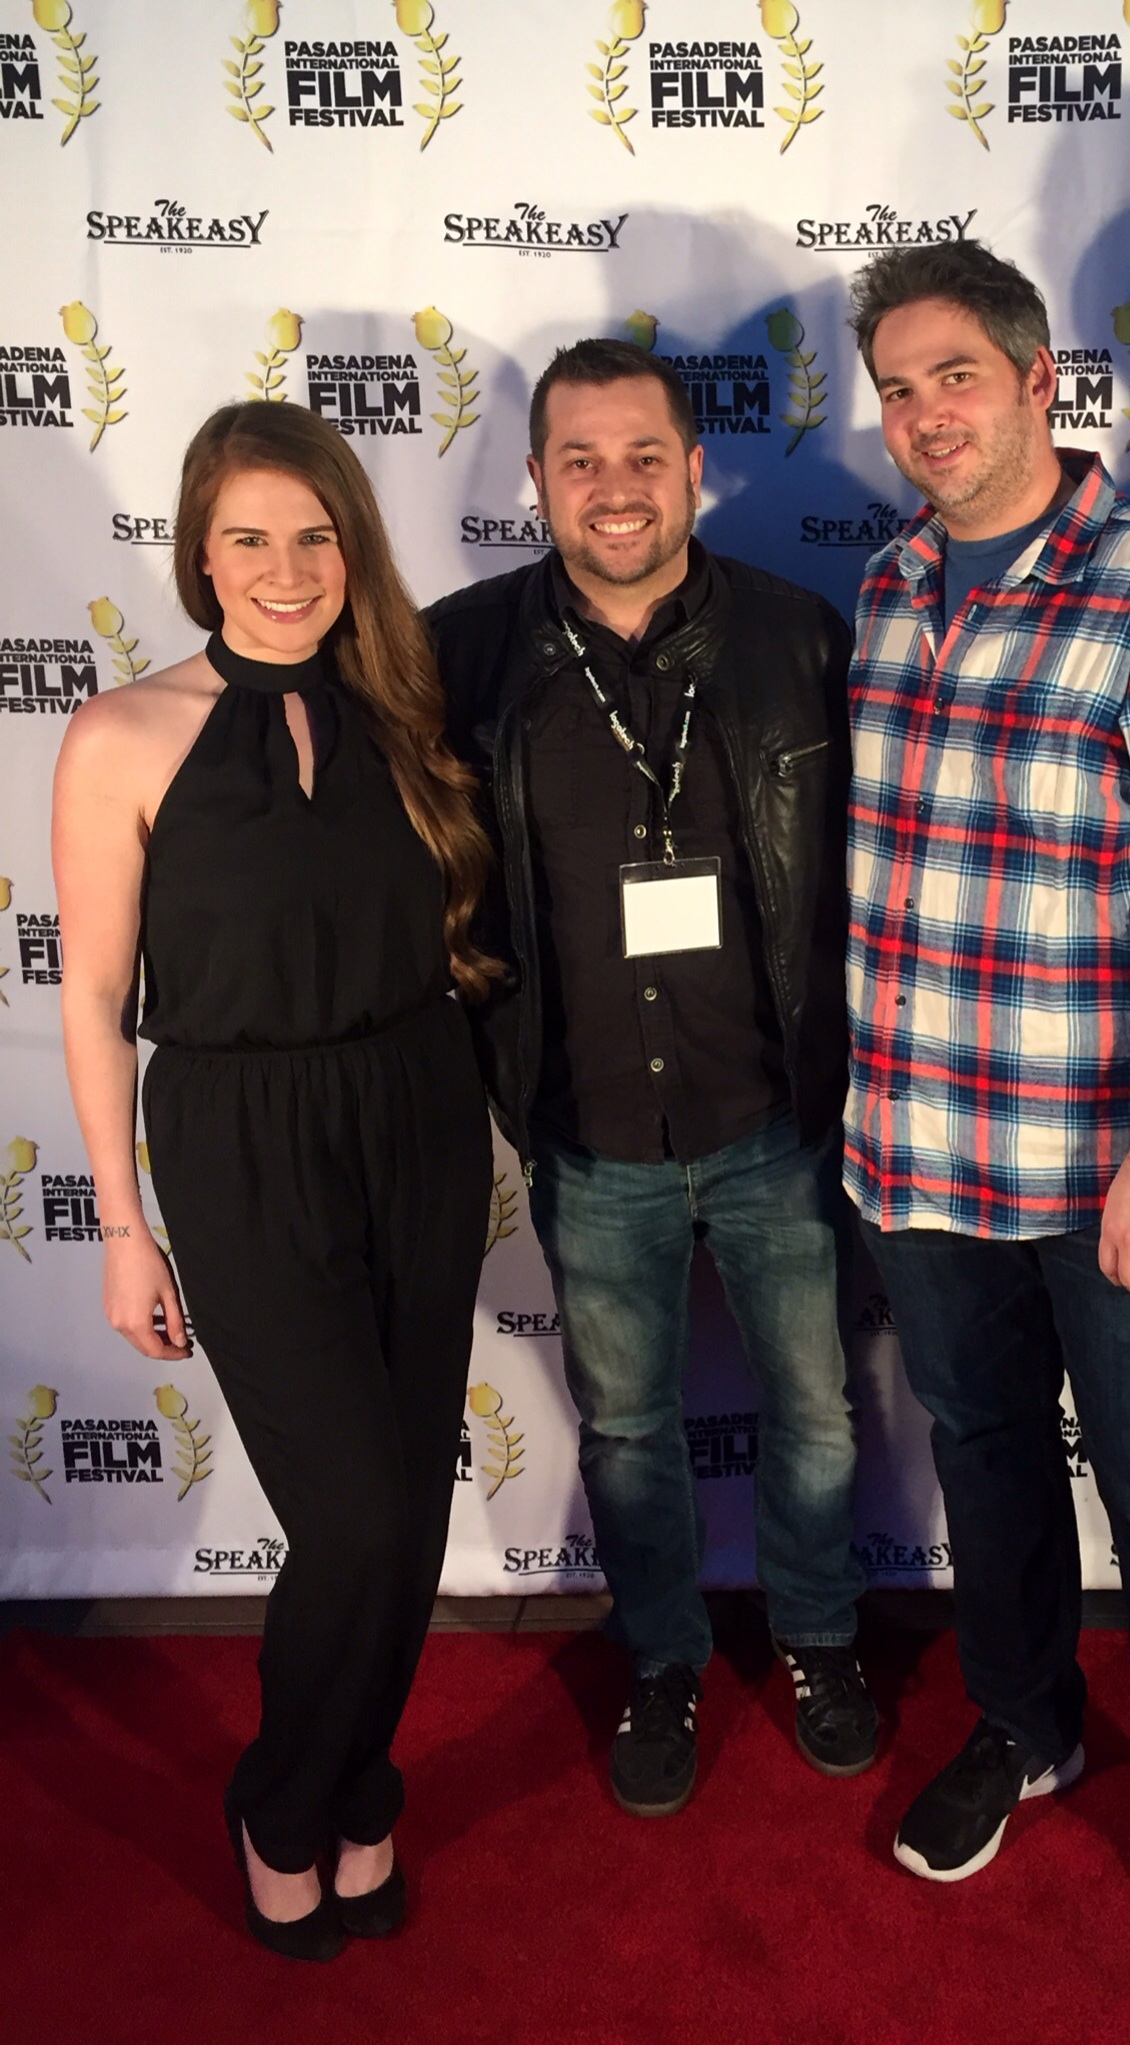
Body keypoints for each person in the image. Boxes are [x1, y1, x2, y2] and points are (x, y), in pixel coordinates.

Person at [843, 241, 1130, 1997]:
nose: (923, 415)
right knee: (982, 1463)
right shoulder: (892, 591)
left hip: (1126, 1180)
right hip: (925, 1160)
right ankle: (1026, 1726)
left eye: (955, 373)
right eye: (895, 386)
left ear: (1042, 381)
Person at [52, 401, 496, 1960]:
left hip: (421, 1112)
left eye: (313, 535)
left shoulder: (405, 712)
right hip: (237, 1138)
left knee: (414, 1504)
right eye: (247, 536)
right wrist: (122, 1228)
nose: (283, 568)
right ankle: (284, 1798)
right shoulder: (120, 735)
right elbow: (93, 995)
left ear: (352, 547)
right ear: (197, 550)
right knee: (355, 1520)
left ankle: (360, 1782)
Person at [425, 339, 875, 1818]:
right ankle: (664, 1653)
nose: (612, 490)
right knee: (628, 1427)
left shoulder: (804, 636)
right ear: (536, 480)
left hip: (773, 1122)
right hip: (587, 1130)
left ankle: (816, 1638)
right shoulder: (462, 654)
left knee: (814, 1411)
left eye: (641, 457)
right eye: (578, 460)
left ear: (698, 467)